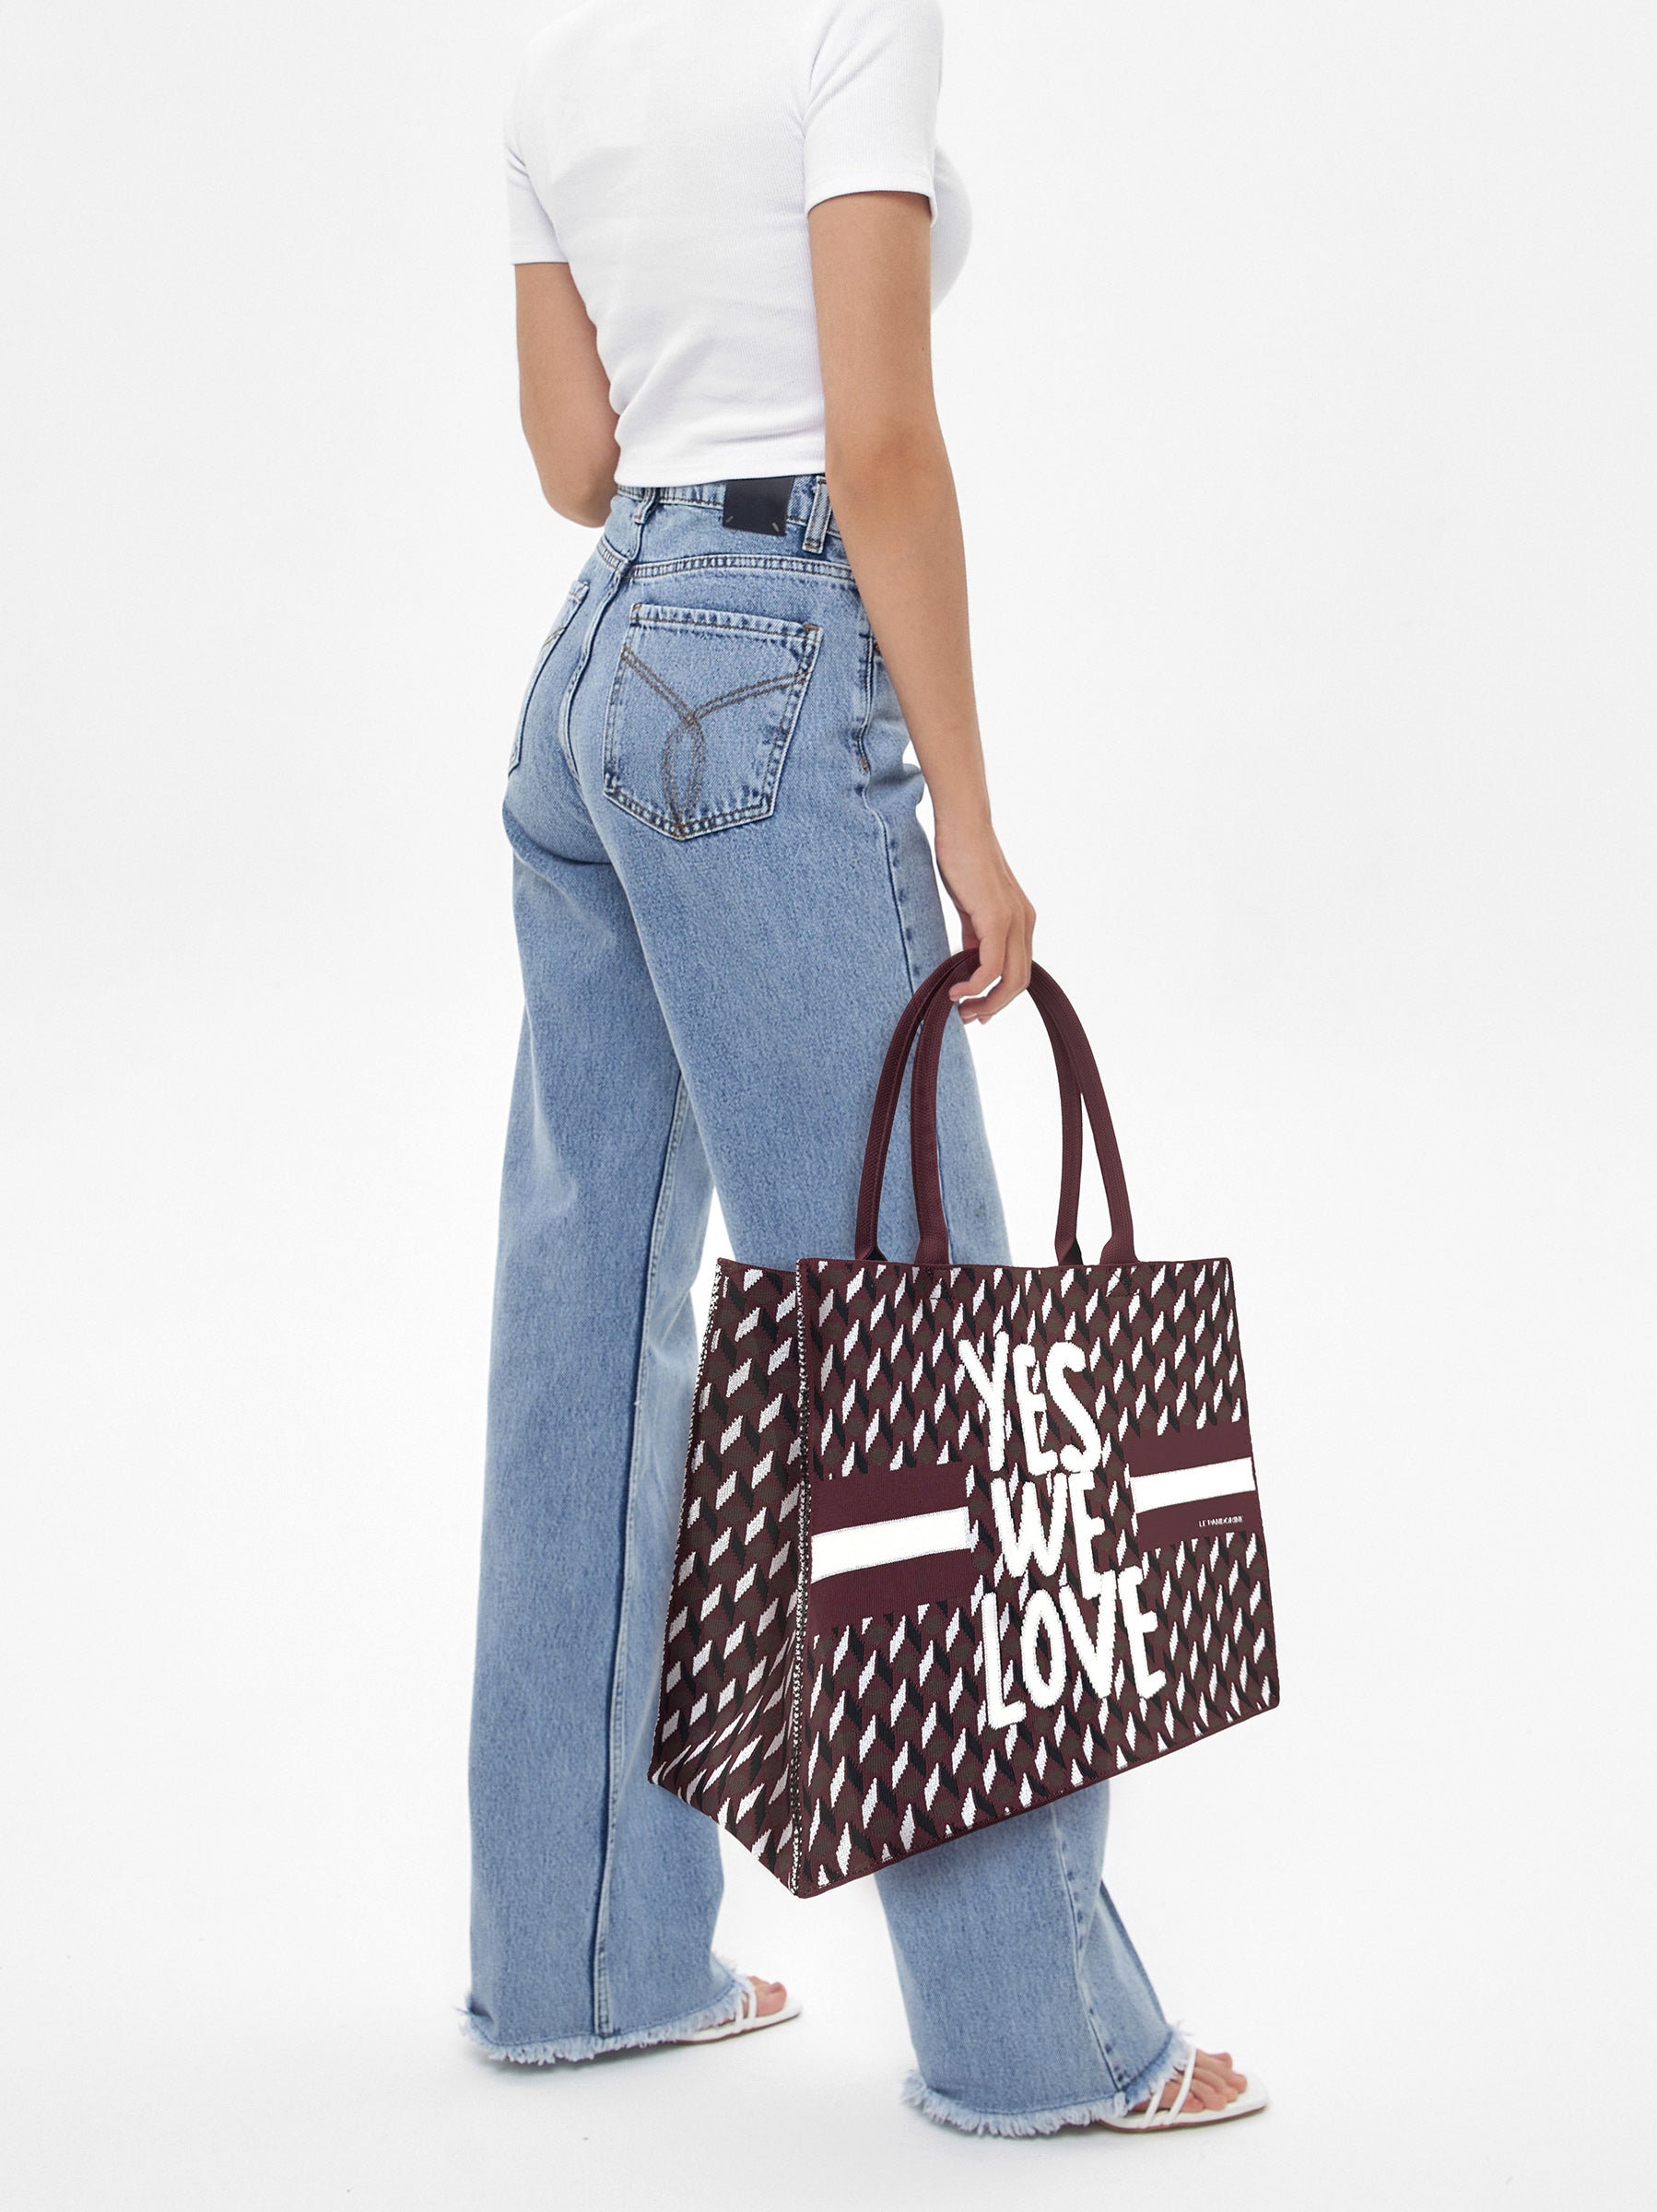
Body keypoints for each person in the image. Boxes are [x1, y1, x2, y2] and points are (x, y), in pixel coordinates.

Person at [464, 0, 1262, 2136]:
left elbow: (572, 463)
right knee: (913, 1330)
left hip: (597, 671)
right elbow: (883, 443)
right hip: (772, 665)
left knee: (588, 1319)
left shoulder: (563, 73)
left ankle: (581, 1962)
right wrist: (969, 826)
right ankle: (1039, 2038)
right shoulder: (846, 29)